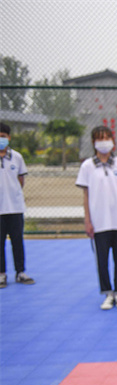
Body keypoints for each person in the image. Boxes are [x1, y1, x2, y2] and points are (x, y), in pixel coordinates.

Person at [75, 126, 117, 310]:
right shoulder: (87, 166)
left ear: (113, 140)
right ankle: (107, 293)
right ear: (94, 142)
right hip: (99, 222)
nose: (104, 142)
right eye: (100, 139)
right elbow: (85, 194)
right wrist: (88, 220)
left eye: (107, 138)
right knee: (102, 260)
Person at [0, 122, 35, 288]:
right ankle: (1, 274)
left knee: (17, 241)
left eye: (3, 137)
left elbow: (21, 180)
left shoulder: (17, 157)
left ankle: (20, 272)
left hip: (15, 207)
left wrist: (12, 194)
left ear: (9, 138)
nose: (0, 140)